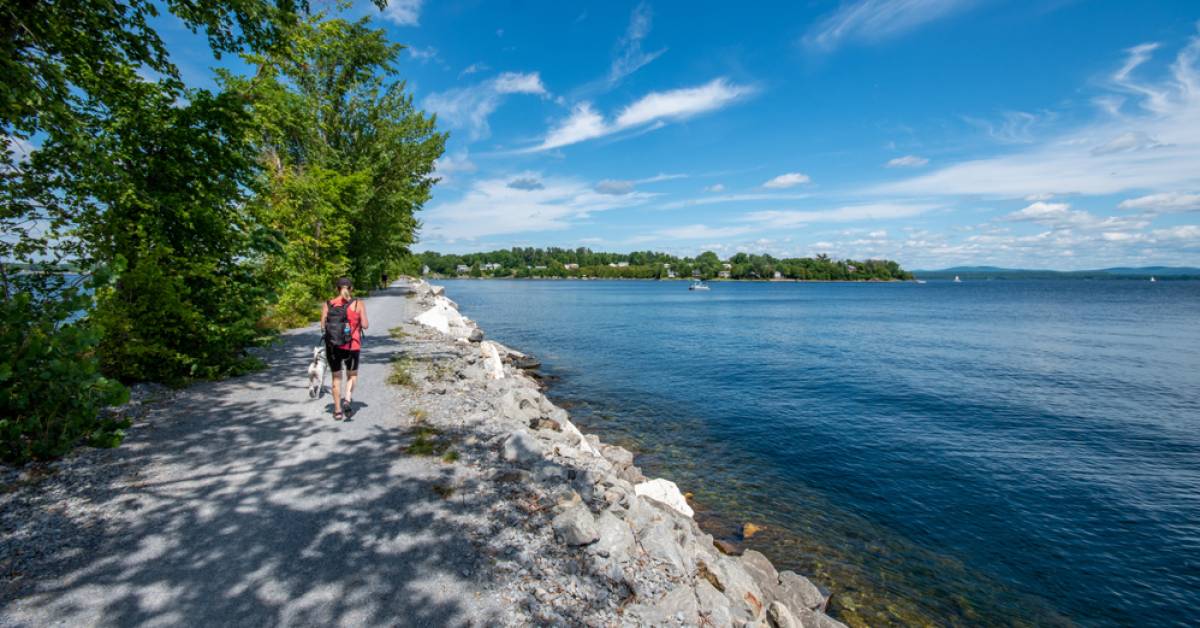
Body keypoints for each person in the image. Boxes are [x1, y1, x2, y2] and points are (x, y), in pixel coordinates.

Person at [321, 277, 368, 420]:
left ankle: (337, 411)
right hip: (352, 345)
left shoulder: (328, 304)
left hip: (333, 346)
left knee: (336, 377)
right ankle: (347, 399)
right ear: (351, 288)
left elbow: (323, 326)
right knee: (352, 375)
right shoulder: (357, 304)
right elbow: (365, 325)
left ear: (337, 289)